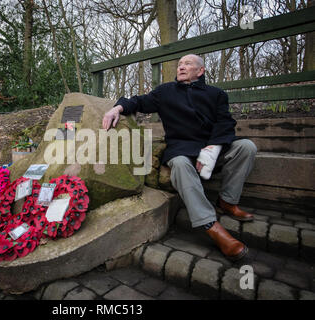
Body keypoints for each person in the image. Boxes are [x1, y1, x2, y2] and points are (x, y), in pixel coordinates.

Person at [102, 54, 257, 261]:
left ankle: (227, 201)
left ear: (200, 71)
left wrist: (214, 147)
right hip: (182, 149)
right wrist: (117, 108)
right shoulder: (165, 92)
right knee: (181, 165)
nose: (181, 67)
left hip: (213, 147)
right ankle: (211, 225)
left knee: (246, 147)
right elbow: (139, 101)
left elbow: (225, 124)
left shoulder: (217, 94)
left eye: (188, 64)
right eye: (180, 64)